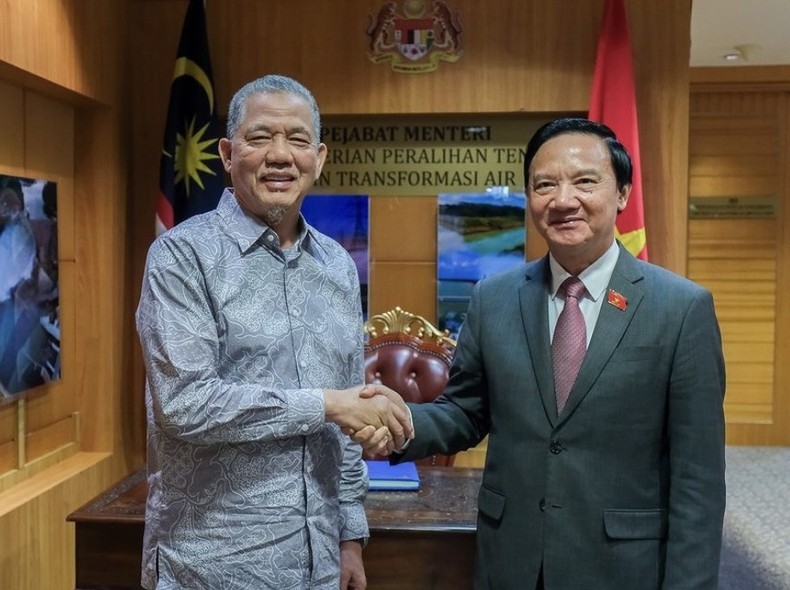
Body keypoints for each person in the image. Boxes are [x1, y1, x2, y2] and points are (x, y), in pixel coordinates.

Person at [356, 118, 726, 589]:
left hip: (622, 568)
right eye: (544, 185)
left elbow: (699, 481)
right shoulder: (494, 297)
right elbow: (466, 413)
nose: (563, 200)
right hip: (512, 558)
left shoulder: (680, 308)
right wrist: (396, 422)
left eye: (585, 182)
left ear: (622, 194)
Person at [136, 74, 411, 590]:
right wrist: (329, 404)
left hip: (319, 563)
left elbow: (352, 404)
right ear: (227, 152)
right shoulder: (180, 257)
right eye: (260, 138)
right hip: (212, 566)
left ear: (320, 157)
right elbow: (184, 404)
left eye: (298, 139)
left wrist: (350, 537)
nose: (281, 155)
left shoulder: (336, 264)